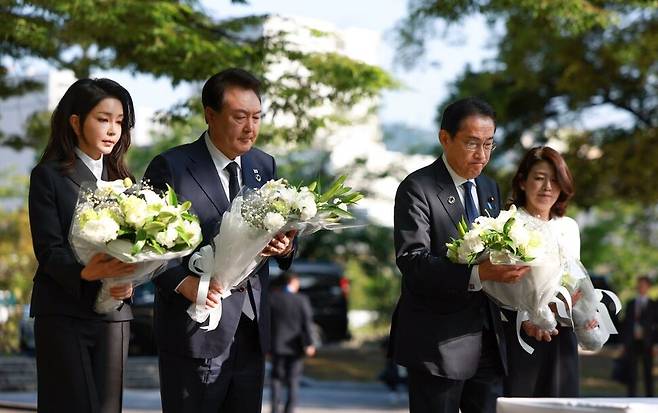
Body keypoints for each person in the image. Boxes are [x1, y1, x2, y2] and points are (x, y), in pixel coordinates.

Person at [143, 68, 297, 413]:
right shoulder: (171, 166)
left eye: (257, 117)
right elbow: (147, 243)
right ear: (210, 115)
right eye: (239, 117)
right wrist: (183, 282)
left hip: (252, 326)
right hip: (195, 325)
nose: (250, 127)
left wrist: (285, 246)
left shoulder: (264, 165)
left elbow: (283, 232)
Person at [390, 97, 530, 413]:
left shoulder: (490, 188)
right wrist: (478, 274)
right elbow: (413, 261)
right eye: (471, 144)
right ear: (445, 138)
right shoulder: (418, 188)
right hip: (437, 344)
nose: (481, 155)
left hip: (487, 341)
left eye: (489, 145)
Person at [28, 78, 138, 412]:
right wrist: (88, 273)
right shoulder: (48, 176)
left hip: (114, 317)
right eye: (103, 119)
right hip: (63, 311)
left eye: (119, 122)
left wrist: (131, 277)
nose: (113, 130)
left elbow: (138, 247)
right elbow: (49, 251)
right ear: (75, 122)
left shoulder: (126, 182)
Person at [502, 146, 595, 397]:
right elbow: (503, 283)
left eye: (555, 180)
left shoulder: (568, 227)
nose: (547, 187)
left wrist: (583, 307)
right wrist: (531, 314)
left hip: (562, 333)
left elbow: (573, 277)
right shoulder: (508, 223)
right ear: (522, 182)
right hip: (522, 335)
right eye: (539, 178)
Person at [269, 272, 316, 413]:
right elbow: (307, 324)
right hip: (295, 346)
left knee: (276, 379)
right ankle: (289, 409)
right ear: (292, 282)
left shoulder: (272, 298)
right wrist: (310, 343)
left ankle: (275, 409)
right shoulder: (301, 300)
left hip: (276, 345)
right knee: (293, 380)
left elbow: (267, 323)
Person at [621, 275, 656, 396]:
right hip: (632, 342)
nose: (641, 288)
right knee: (632, 372)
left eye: (643, 285)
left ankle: (650, 398)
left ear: (648, 287)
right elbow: (625, 324)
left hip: (647, 343)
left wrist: (655, 344)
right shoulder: (631, 304)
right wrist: (624, 343)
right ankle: (631, 396)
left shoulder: (653, 305)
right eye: (639, 285)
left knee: (648, 372)